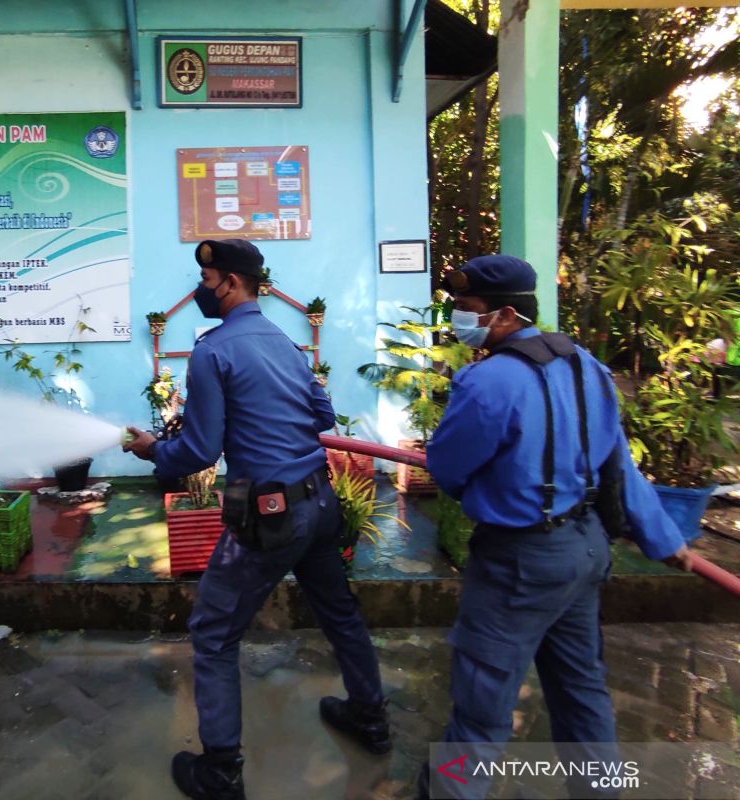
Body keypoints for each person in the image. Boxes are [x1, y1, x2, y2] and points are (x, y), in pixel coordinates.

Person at [123, 239, 389, 800]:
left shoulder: (212, 351)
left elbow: (198, 451)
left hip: (269, 515)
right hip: (319, 501)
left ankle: (221, 773)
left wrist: (152, 450)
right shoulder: (285, 344)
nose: (201, 288)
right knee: (339, 612)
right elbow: (322, 415)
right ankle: (370, 716)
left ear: (232, 284)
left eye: (208, 277)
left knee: (213, 634)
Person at [421, 254, 693, 799]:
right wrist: (663, 538)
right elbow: (618, 466)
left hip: (518, 565)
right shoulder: (585, 366)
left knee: (480, 714)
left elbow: (447, 468)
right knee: (582, 693)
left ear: (502, 315)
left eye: (466, 309)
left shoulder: (488, 381)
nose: (457, 319)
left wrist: (480, 491)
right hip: (584, 551)